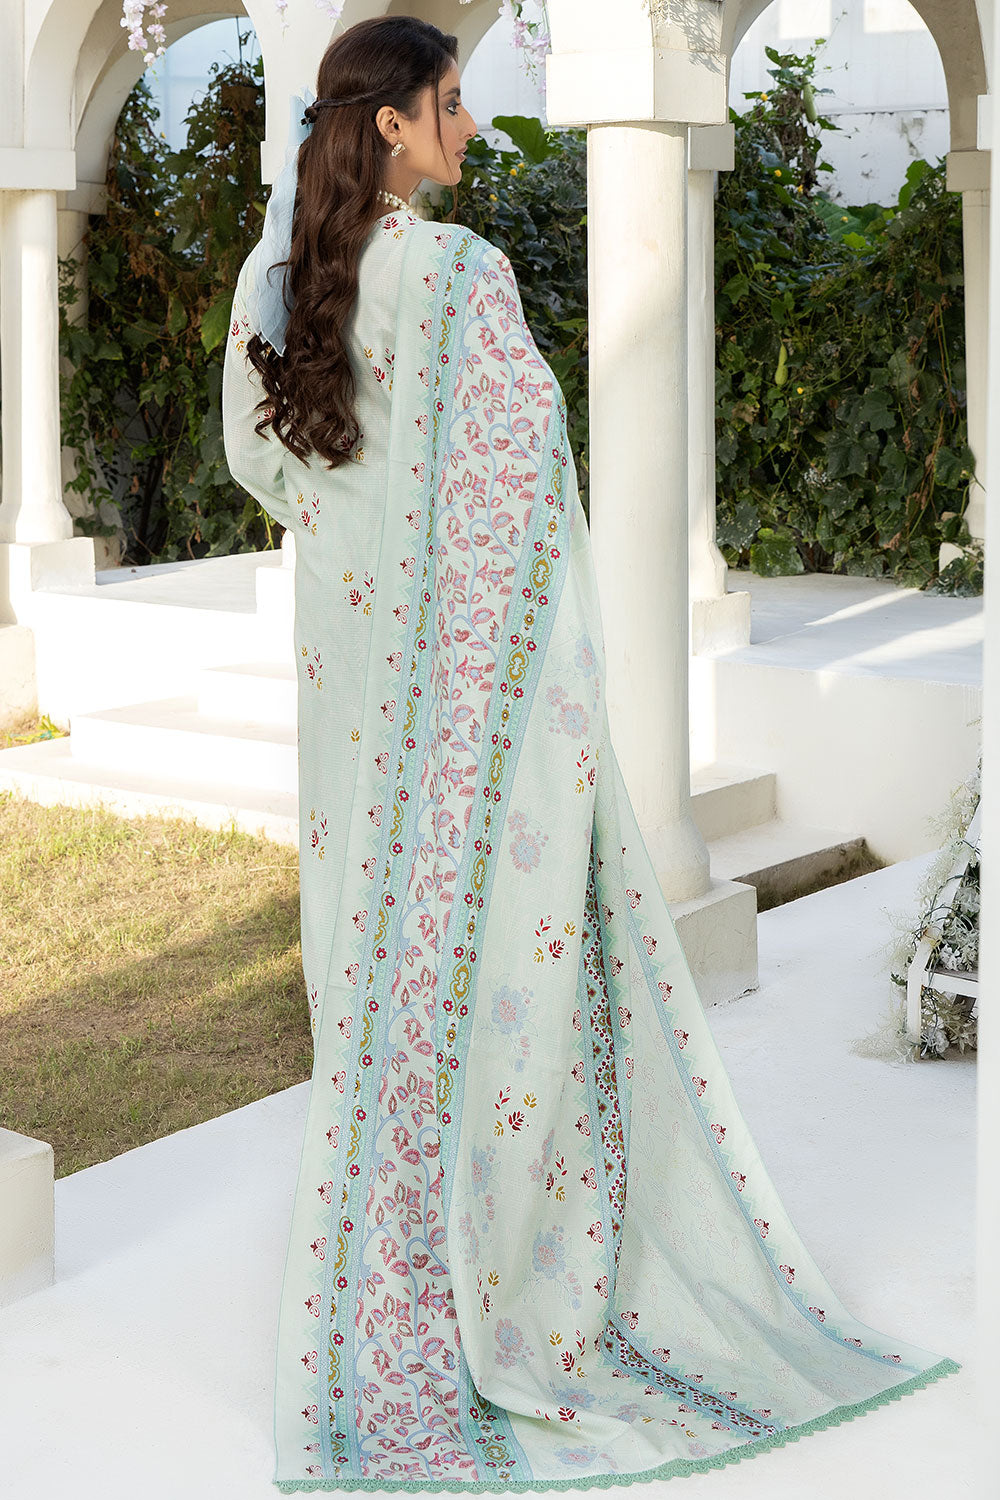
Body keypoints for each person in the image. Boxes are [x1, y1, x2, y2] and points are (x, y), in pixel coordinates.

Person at [222, 15, 957, 1493]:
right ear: (390, 124)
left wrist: (366, 545)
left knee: (385, 966)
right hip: (474, 712)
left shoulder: (273, 273)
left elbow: (258, 459)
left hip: (355, 689)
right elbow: (520, 489)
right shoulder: (459, 274)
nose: (469, 126)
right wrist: (527, 690)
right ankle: (512, 1278)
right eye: (450, 103)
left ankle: (391, 1278)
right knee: (503, 960)